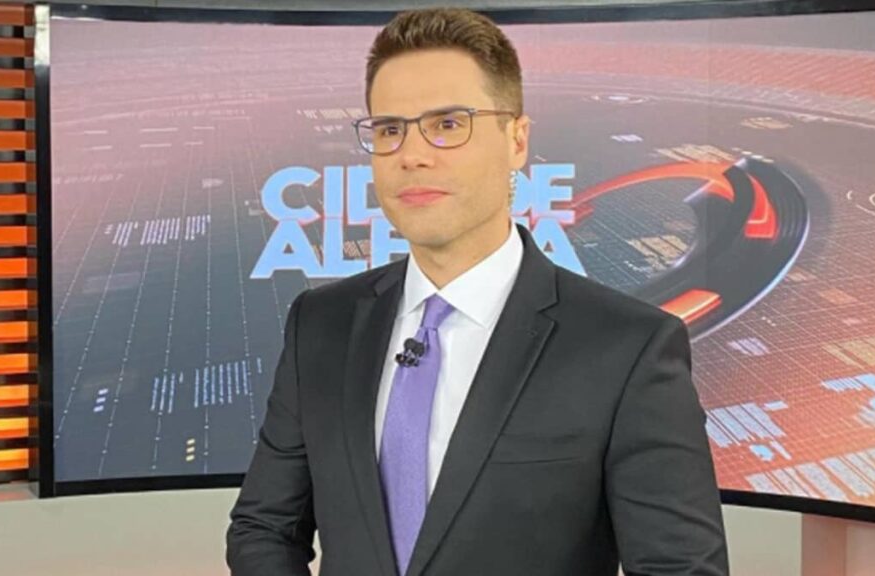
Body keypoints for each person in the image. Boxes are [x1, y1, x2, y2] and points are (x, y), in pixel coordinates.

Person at [226, 8, 728, 576]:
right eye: (390, 129)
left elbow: (680, 569)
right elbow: (264, 527)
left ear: (517, 139)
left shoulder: (629, 347)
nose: (412, 155)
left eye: (447, 124)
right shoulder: (321, 323)